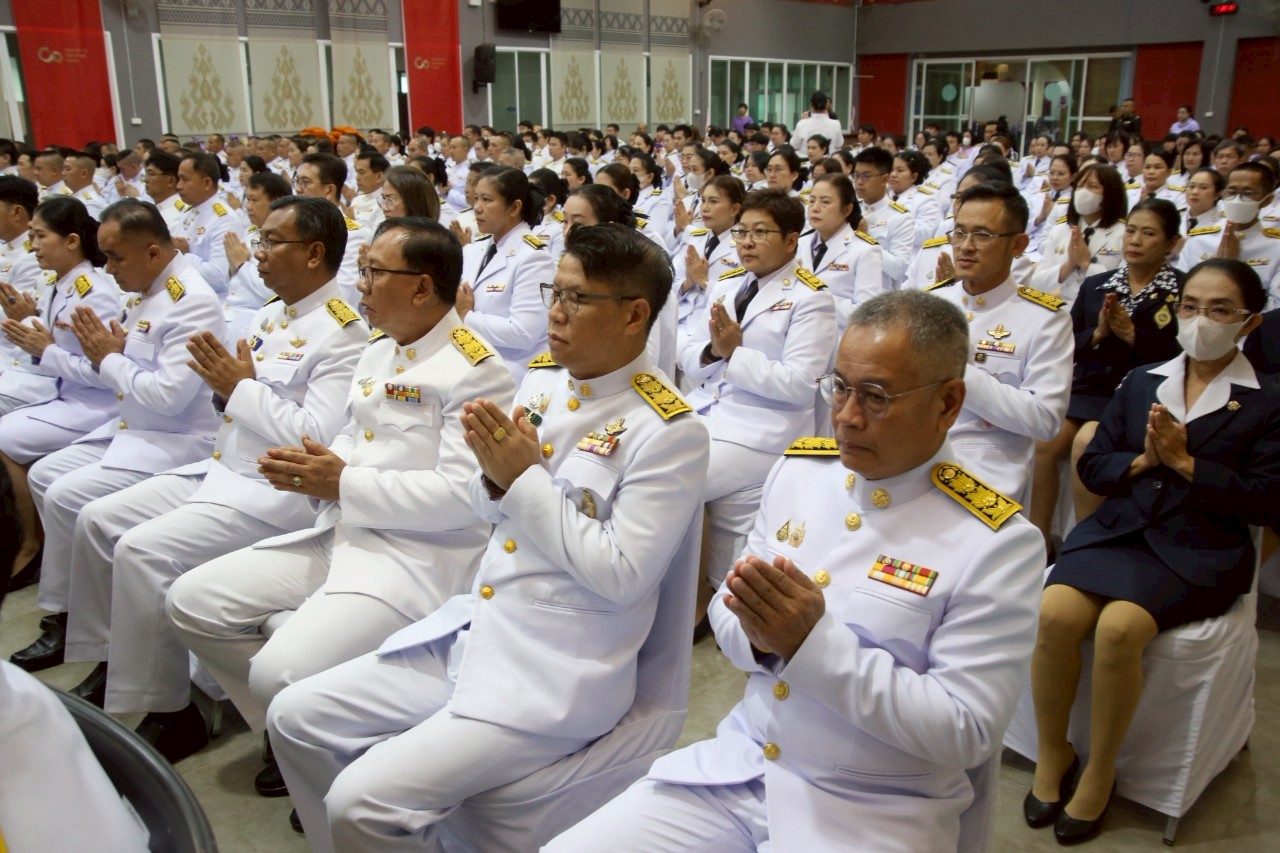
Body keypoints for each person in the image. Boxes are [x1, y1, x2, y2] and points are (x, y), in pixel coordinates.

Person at [545, 290, 1045, 853]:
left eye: (877, 397)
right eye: (840, 388)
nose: (848, 416)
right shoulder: (802, 473)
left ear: (949, 403)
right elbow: (727, 614)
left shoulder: (994, 543)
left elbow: (966, 731)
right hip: (743, 766)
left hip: (873, 810)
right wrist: (763, 641)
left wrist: (811, 644)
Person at [266, 223, 708, 850]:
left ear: (636, 314)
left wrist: (522, 481)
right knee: (294, 717)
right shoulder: (544, 379)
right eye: (555, 291)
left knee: (361, 803)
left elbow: (622, 574)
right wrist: (501, 484)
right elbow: (482, 502)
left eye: (576, 299)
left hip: (556, 670)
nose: (553, 312)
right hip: (479, 631)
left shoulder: (669, 430)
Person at [168, 216, 514, 793]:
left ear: (423, 288)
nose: (361, 287)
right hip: (344, 531)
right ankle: (292, 740)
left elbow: (464, 497)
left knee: (278, 672)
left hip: (412, 559)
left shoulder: (477, 371)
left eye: (375, 274)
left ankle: (318, 755)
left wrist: (342, 482)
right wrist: (318, 469)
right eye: (363, 271)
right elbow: (357, 432)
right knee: (192, 601)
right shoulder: (382, 346)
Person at [45, 197, 365, 761]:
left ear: (315, 253)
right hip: (221, 467)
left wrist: (240, 389)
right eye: (258, 242)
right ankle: (113, 662)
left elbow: (316, 434)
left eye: (270, 243)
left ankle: (173, 711)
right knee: (98, 519)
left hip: (272, 490)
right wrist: (230, 391)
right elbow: (230, 398)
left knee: (143, 551)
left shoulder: (343, 330)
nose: (256, 254)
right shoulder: (271, 313)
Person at [1026, 258, 1280, 845]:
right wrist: (1142, 461)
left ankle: (1101, 770)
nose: (1201, 321)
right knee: (1055, 612)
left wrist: (1188, 464)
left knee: (1119, 628)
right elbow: (1093, 463)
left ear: (1249, 323)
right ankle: (1052, 752)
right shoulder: (1144, 380)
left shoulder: (1267, 402)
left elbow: (1267, 502)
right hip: (1121, 530)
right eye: (1191, 306)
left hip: (1198, 546)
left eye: (1220, 310)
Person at [9, 199, 226, 676]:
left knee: (73, 498)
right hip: (134, 425)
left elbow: (167, 396)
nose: (107, 267)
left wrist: (109, 357)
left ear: (152, 252)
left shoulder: (190, 300)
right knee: (46, 477)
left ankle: (98, 635)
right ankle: (73, 611)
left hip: (176, 439)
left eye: (115, 257)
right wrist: (107, 355)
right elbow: (121, 367)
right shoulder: (144, 289)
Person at [679, 190, 837, 594]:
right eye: (741, 232)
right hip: (706, 415)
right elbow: (687, 353)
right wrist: (714, 350)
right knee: (731, 541)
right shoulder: (726, 285)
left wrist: (734, 354)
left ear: (791, 240)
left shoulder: (811, 298)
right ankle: (706, 602)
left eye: (760, 232)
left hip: (763, 431)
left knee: (671, 480)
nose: (746, 242)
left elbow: (800, 386)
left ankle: (704, 602)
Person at [1029, 199, 1186, 550]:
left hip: (1142, 391)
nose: (1135, 240)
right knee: (1043, 443)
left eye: (1148, 234)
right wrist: (1098, 334)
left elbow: (1181, 357)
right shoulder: (1098, 283)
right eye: (1131, 231)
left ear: (1171, 243)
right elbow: (1071, 342)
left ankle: (1085, 541)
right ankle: (1039, 540)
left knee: (1087, 441)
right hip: (1091, 387)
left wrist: (1133, 336)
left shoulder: (1181, 291)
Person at [0, 198, 120, 600]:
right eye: (30, 235)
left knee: (2, 438)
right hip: (63, 393)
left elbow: (105, 372)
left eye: (39, 236)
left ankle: (31, 544)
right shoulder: (60, 282)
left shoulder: (95, 294)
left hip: (95, 404)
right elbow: (56, 344)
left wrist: (46, 346)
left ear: (71, 241)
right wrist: (30, 324)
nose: (32, 245)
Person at [925, 181, 1073, 502]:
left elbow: (1045, 419)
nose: (965, 246)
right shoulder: (931, 302)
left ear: (1018, 244)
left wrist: (956, 369)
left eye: (983, 235)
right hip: (913, 450)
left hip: (989, 468)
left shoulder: (1045, 318)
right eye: (960, 232)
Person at [455, 167, 556, 382]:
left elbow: (523, 333)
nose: (477, 208)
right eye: (475, 199)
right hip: (473, 364)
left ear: (514, 207)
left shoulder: (534, 258)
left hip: (513, 373)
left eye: (487, 200)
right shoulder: (475, 249)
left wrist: (466, 315)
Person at [1176, 162, 1280, 310]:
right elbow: (1180, 293)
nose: (1237, 199)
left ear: (1267, 200)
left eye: (1248, 193)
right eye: (1231, 192)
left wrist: (1233, 270)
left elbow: (1275, 308)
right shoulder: (1200, 239)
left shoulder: (1275, 247)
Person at [1031, 163, 1129, 304]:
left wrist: (1087, 265)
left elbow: (1123, 288)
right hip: (1059, 309)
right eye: (1080, 186)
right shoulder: (1061, 230)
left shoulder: (1123, 234)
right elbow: (1037, 283)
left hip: (1097, 312)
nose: (1083, 191)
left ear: (1110, 193)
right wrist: (1069, 265)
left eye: (1092, 186)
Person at [798, 172, 884, 330]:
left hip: (837, 341)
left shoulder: (865, 251)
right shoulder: (799, 244)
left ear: (847, 209)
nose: (815, 208)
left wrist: (819, 299)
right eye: (811, 201)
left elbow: (867, 314)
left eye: (825, 202)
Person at [223, 170, 290, 338]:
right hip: (231, 311)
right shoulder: (251, 233)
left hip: (260, 318)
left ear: (275, 203)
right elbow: (232, 284)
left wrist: (241, 265)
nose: (248, 206)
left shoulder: (286, 240)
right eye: (247, 199)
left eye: (254, 200)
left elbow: (274, 292)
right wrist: (234, 267)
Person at [172, 152, 244, 298]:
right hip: (186, 292)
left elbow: (219, 278)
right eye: (178, 179)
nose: (178, 186)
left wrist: (185, 255)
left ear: (206, 183)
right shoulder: (189, 212)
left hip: (212, 299)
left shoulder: (224, 219)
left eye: (185, 180)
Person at [853, 147, 915, 291]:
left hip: (880, 296)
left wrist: (865, 239)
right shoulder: (849, 210)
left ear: (885, 179)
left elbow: (898, 268)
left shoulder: (900, 217)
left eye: (866, 176)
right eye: (856, 176)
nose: (859, 182)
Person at [888, 149, 942, 250]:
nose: (893, 174)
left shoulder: (925, 199)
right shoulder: (883, 194)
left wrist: (889, 224)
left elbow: (925, 233)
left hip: (910, 257)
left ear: (914, 176)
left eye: (900, 170)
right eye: (891, 170)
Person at [349, 151, 388, 233]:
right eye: (357, 172)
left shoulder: (385, 203)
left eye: (362, 172)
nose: (357, 178)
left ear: (379, 176)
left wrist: (352, 222)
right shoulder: (357, 199)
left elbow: (376, 236)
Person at [1180, 166, 1225, 235]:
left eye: (1203, 187)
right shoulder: (1176, 215)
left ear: (1217, 194)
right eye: (1191, 186)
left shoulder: (1222, 223)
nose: (1195, 192)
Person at [61, 152, 107, 219]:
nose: (63, 173)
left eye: (68, 169)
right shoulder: (77, 197)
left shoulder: (89, 203)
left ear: (84, 173)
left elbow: (93, 228)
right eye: (63, 169)